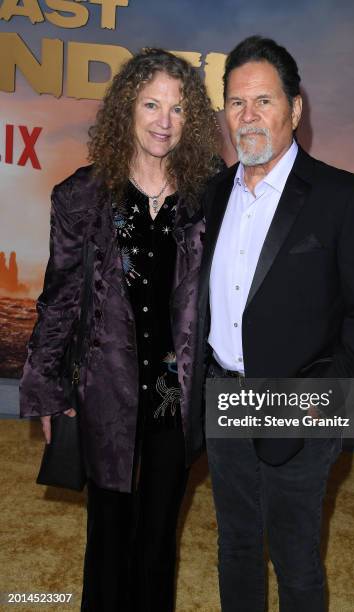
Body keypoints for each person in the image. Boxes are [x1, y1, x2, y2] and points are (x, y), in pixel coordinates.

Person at [190, 36, 354, 612]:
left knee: (295, 556)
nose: (247, 116)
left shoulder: (343, 197)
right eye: (235, 103)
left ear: (295, 109)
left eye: (263, 101)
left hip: (302, 408)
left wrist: (326, 415)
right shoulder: (210, 194)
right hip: (224, 397)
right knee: (235, 545)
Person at [20, 48, 220, 611]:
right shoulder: (81, 197)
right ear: (125, 111)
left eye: (178, 109)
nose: (164, 121)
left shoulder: (209, 199)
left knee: (158, 539)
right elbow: (59, 300)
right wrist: (50, 395)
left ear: (192, 120)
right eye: (151, 104)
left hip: (174, 398)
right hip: (103, 393)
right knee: (108, 536)